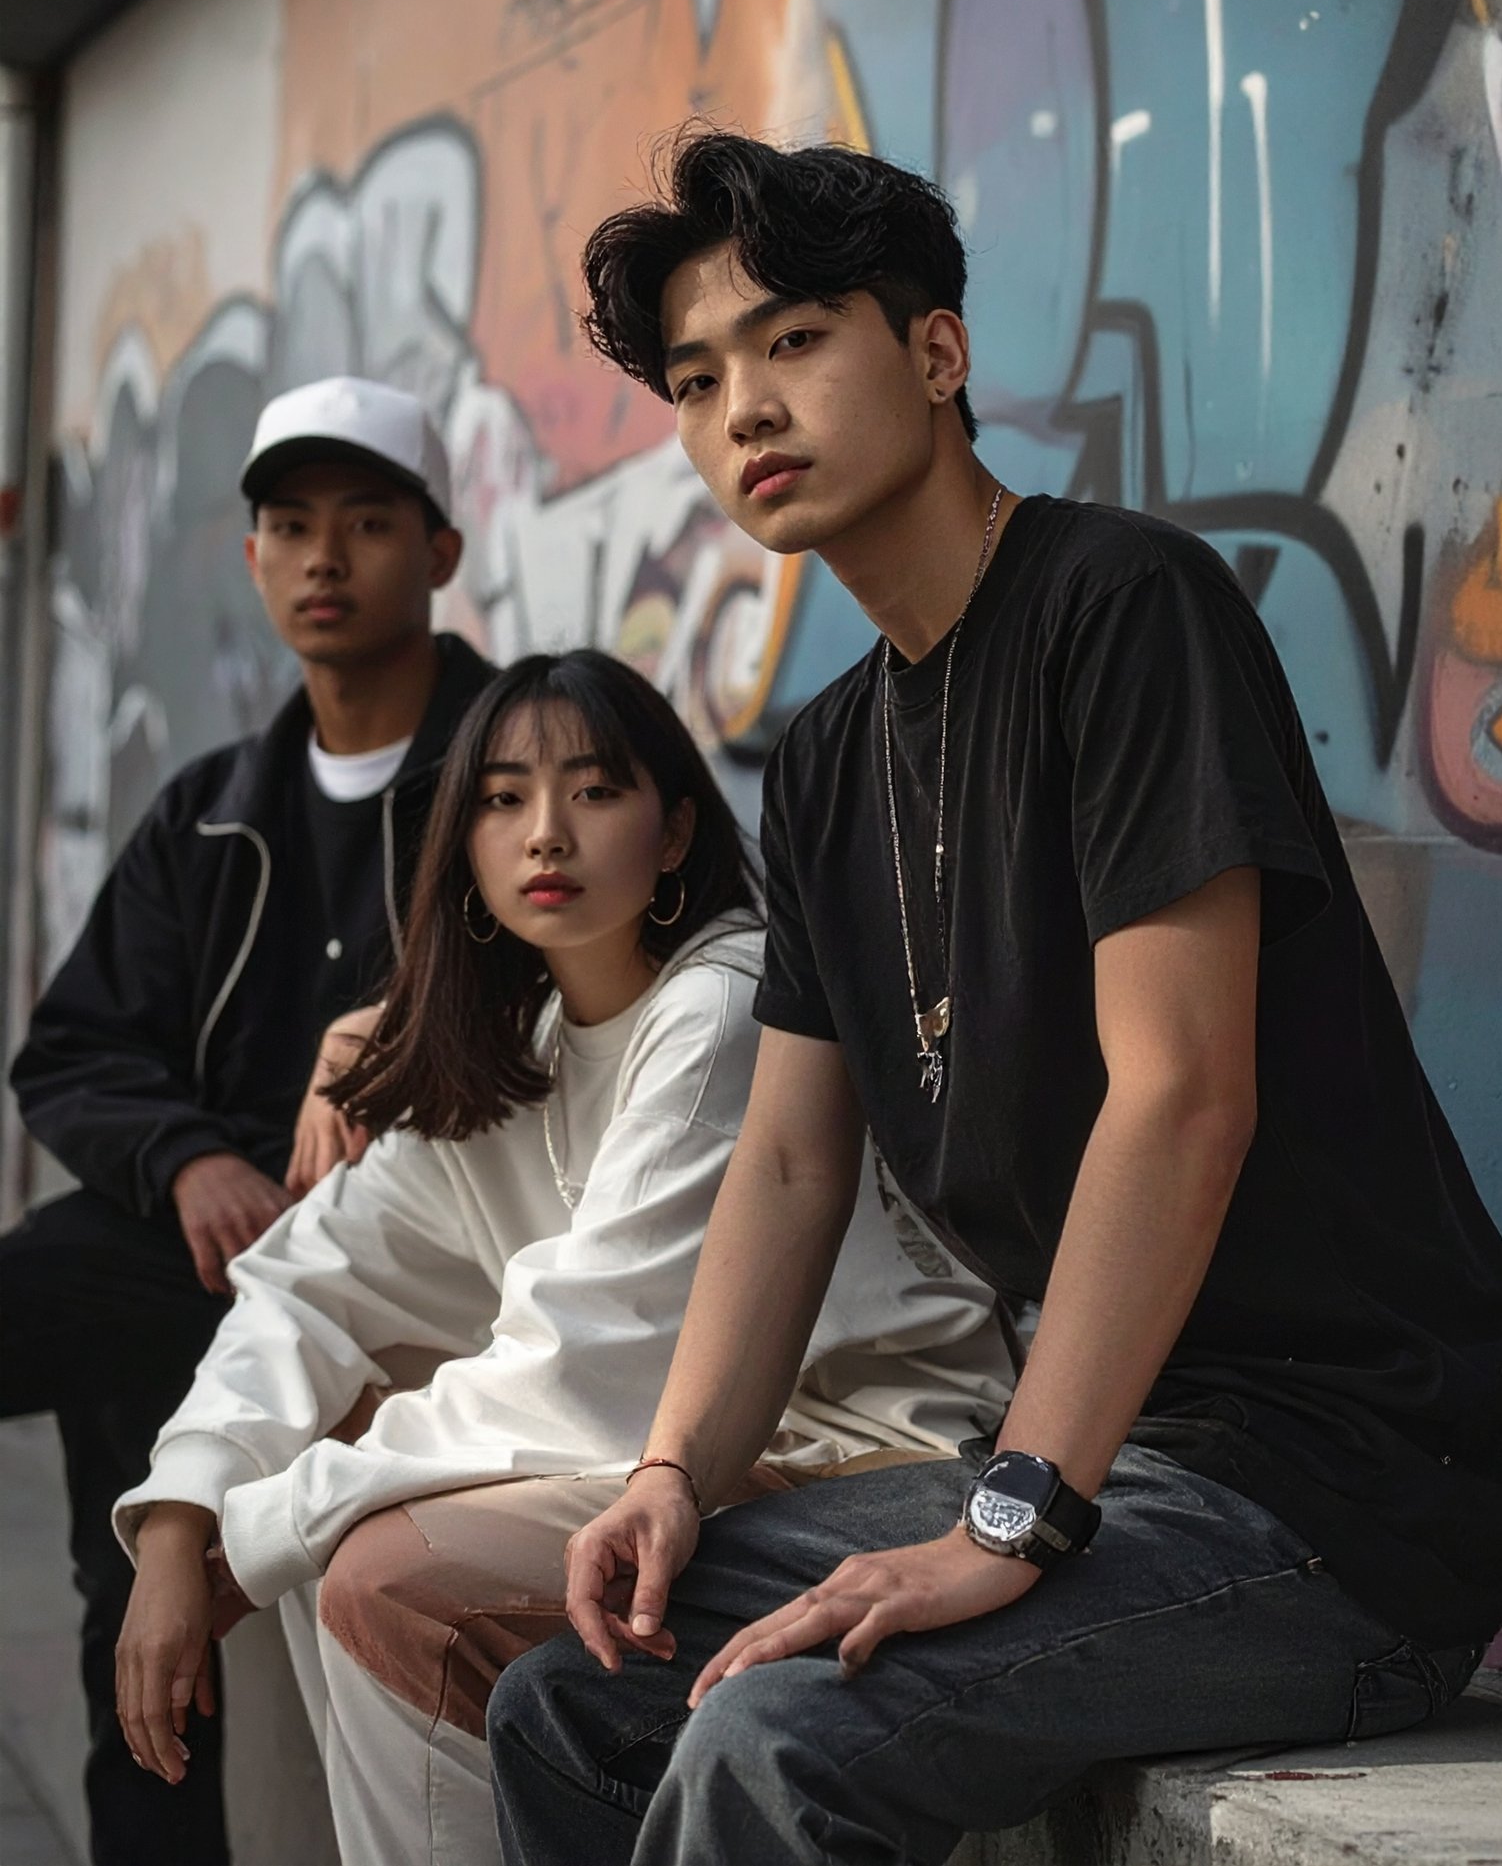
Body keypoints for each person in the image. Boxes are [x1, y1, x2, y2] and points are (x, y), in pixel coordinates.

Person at [484, 132, 1502, 1866]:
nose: (745, 408)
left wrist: (1014, 1515)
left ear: (937, 353)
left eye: (793, 340)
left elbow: (1183, 1096)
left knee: (775, 1736)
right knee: (574, 1700)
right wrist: (672, 1471)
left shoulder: (1123, 611)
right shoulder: (824, 761)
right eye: (696, 380)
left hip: (1340, 1495)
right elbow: (787, 1167)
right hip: (1124, 1466)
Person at [110, 647, 1013, 1866]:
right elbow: (307, 1283)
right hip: (700, 1461)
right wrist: (187, 1514)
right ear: (465, 849)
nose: (546, 831)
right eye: (503, 798)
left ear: (675, 830)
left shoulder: (725, 1005)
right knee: (336, 1488)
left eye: (593, 790)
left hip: (869, 1457)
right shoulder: (521, 1044)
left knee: (371, 1567)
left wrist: (262, 1531)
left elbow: (583, 1358)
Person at [2, 375, 493, 1865]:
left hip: (414, 1257)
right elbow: (75, 1049)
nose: (323, 556)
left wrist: (395, 1042)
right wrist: (191, 1157)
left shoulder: (514, 768)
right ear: (252, 557)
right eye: (290, 524)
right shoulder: (212, 810)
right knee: (128, 1584)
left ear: (440, 549)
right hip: (205, 1255)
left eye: (368, 522)